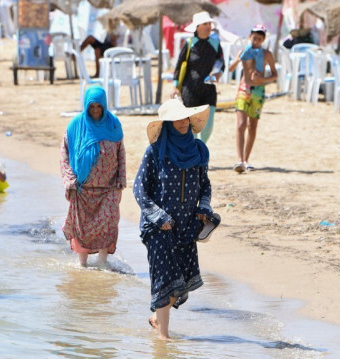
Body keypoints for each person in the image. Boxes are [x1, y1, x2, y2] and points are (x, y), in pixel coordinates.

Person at [133, 98, 220, 340]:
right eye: (176, 119)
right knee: (164, 279)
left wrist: (204, 205)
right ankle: (164, 338)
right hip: (158, 228)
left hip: (187, 227)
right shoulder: (154, 153)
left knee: (181, 281)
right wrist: (159, 216)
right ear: (167, 124)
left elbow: (205, 185)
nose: (182, 123)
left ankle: (156, 319)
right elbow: (140, 189)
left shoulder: (199, 151)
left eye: (185, 118)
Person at [60, 86, 126, 268]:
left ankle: (103, 263)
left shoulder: (113, 125)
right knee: (83, 227)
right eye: (92, 106)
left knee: (108, 223)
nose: (96, 110)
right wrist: (69, 180)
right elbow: (64, 155)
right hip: (83, 189)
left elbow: (121, 153)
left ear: (104, 106)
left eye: (99, 106)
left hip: (109, 188)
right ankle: (83, 265)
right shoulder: (75, 126)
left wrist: (121, 178)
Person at [228, 24, 277, 173]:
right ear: (250, 37)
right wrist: (239, 59)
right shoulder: (244, 51)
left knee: (252, 126)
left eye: (259, 39)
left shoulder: (267, 54)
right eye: (254, 38)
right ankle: (240, 159)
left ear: (263, 40)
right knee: (241, 124)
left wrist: (263, 79)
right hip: (244, 89)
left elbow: (275, 75)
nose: (256, 41)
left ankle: (246, 159)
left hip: (258, 91)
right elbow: (230, 68)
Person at [171, 11, 225, 144]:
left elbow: (221, 62)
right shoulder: (189, 43)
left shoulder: (215, 43)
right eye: (205, 24)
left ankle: (201, 148)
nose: (208, 26)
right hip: (190, 90)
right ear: (197, 27)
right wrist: (175, 86)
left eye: (209, 23)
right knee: (192, 127)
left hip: (209, 89)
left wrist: (218, 73)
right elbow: (179, 65)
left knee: (208, 126)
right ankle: (194, 157)